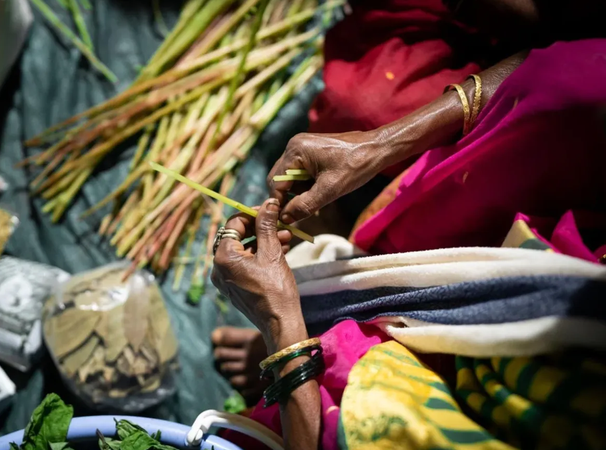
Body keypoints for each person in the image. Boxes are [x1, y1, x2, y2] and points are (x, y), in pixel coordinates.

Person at [210, 2, 606, 449]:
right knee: (365, 107)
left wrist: (281, 326)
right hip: (555, 252)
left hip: (405, 402)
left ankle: (321, 347)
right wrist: (381, 144)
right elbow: (582, 73)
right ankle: (369, 286)